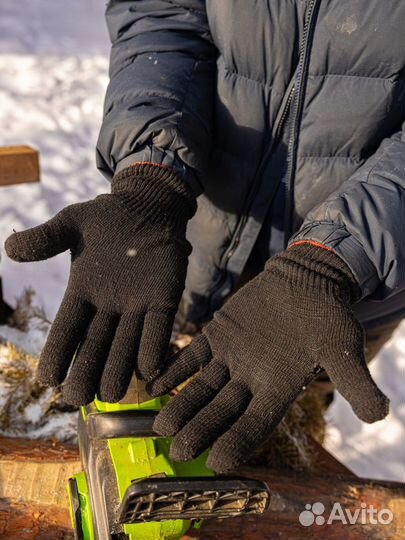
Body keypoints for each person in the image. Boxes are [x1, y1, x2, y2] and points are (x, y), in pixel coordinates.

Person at [5, 1, 405, 473]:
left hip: (350, 285)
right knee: (150, 363)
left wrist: (338, 255)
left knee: (285, 406)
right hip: (188, 237)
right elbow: (163, 15)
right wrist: (152, 175)